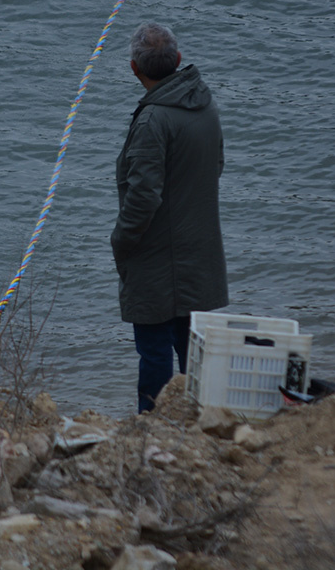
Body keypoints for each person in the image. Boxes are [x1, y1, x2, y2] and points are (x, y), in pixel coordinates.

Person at [111, 23, 229, 413]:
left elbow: (144, 196)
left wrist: (122, 241)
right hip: (200, 249)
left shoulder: (152, 121)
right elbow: (217, 165)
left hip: (157, 259)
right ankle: (200, 419)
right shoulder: (205, 104)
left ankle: (153, 427)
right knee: (194, 351)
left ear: (133, 69)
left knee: (155, 352)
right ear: (178, 60)